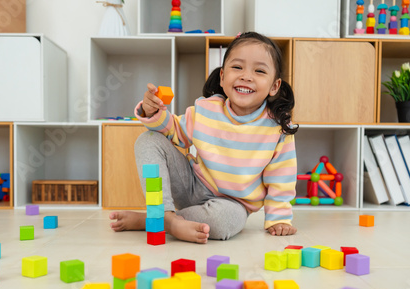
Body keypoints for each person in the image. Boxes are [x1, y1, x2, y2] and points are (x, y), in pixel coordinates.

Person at [109, 32, 298, 244]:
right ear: (223, 77)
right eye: (237, 67)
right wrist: (150, 112)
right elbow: (174, 131)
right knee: (148, 140)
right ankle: (165, 215)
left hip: (233, 204)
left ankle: (155, 220)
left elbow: (282, 179)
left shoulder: (278, 129)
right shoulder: (206, 108)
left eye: (260, 71)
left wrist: (278, 219)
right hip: (191, 184)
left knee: (222, 222)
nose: (246, 76)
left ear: (274, 86)